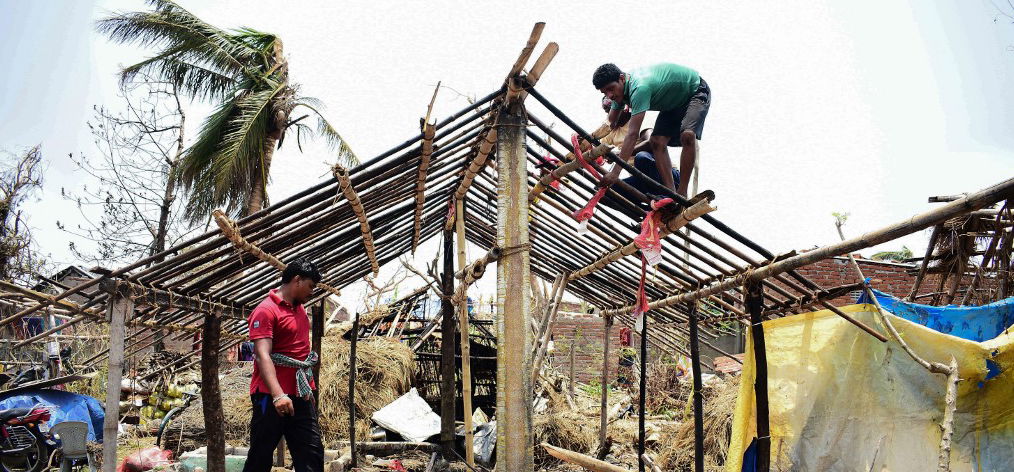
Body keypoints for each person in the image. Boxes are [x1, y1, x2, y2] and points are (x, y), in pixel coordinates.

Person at [243, 258, 324, 472]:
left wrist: (309, 386)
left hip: (300, 394)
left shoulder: (300, 310)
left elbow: (298, 353)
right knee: (260, 455)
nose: (312, 291)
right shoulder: (266, 310)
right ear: (297, 280)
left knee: (312, 453)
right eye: (310, 286)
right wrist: (278, 395)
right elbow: (262, 355)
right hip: (269, 397)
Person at [593, 62, 711, 198]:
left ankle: (682, 193)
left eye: (611, 89)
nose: (610, 95)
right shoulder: (618, 94)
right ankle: (671, 194)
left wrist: (615, 172)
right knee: (657, 141)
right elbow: (609, 124)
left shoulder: (639, 89)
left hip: (694, 91)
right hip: (673, 103)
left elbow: (632, 134)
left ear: (622, 78)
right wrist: (586, 140)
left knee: (688, 135)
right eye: (604, 93)